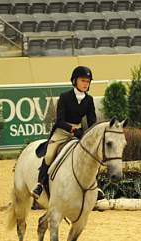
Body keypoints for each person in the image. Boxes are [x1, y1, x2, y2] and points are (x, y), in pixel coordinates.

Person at [31, 66, 97, 199]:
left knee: (92, 156)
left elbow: (92, 121)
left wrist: (90, 134)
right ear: (74, 81)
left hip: (79, 132)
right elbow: (59, 120)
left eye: (88, 81)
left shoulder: (89, 100)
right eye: (83, 81)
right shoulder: (65, 97)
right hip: (62, 132)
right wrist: (73, 130)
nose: (86, 84)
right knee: (49, 155)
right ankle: (40, 184)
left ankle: (96, 186)